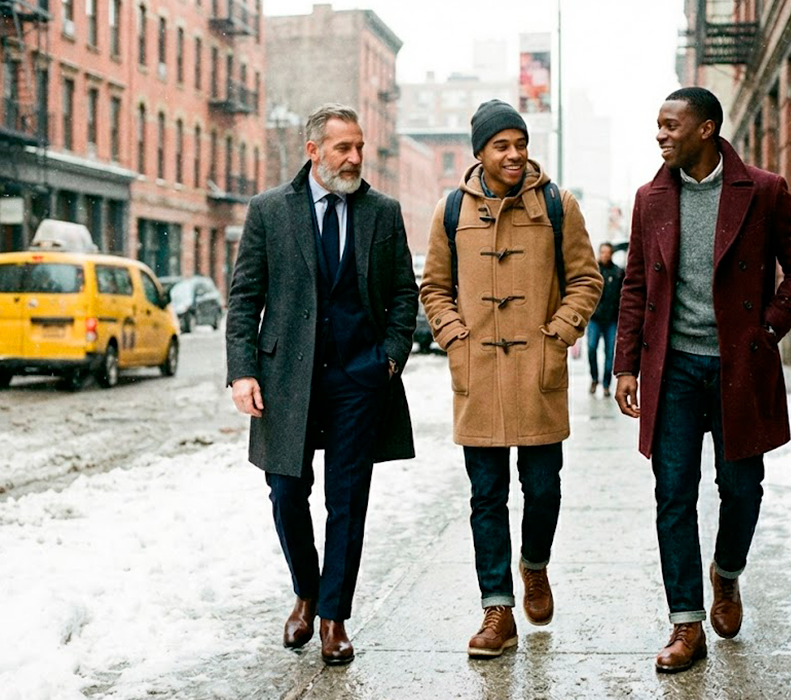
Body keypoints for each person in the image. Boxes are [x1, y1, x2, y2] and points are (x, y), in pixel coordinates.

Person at [613, 87, 791, 673]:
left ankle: (726, 574)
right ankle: (685, 622)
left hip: (738, 365)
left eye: (671, 125)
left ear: (706, 130)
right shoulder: (650, 198)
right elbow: (635, 286)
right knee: (673, 492)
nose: (661, 135)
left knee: (741, 488)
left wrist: (768, 330)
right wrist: (626, 363)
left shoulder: (762, 190)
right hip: (672, 367)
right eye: (657, 125)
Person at [225, 103, 418, 666]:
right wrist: (243, 370)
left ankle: (333, 616)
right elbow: (244, 298)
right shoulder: (269, 211)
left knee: (348, 501)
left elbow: (405, 293)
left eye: (359, 146)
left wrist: (388, 359)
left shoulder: (383, 211)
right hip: (288, 379)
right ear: (313, 151)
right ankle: (306, 589)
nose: (355, 157)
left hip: (361, 378)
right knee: (286, 492)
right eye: (343, 148)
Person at [420, 99, 602, 659]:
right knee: (486, 496)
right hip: (478, 373)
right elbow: (433, 288)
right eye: (502, 145)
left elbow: (586, 279)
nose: (515, 154)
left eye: (520, 143)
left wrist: (559, 333)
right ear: (480, 152)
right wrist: (456, 336)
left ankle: (535, 565)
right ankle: (496, 608)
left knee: (544, 488)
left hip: (539, 369)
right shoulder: (451, 210)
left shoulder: (556, 203)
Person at [587, 242, 624, 397]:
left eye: (608, 252)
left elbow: (623, 296)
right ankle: (595, 378)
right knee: (591, 348)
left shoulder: (618, 272)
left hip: (611, 320)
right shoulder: (593, 271)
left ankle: (606, 384)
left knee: (610, 353)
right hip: (594, 319)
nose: (605, 255)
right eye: (602, 252)